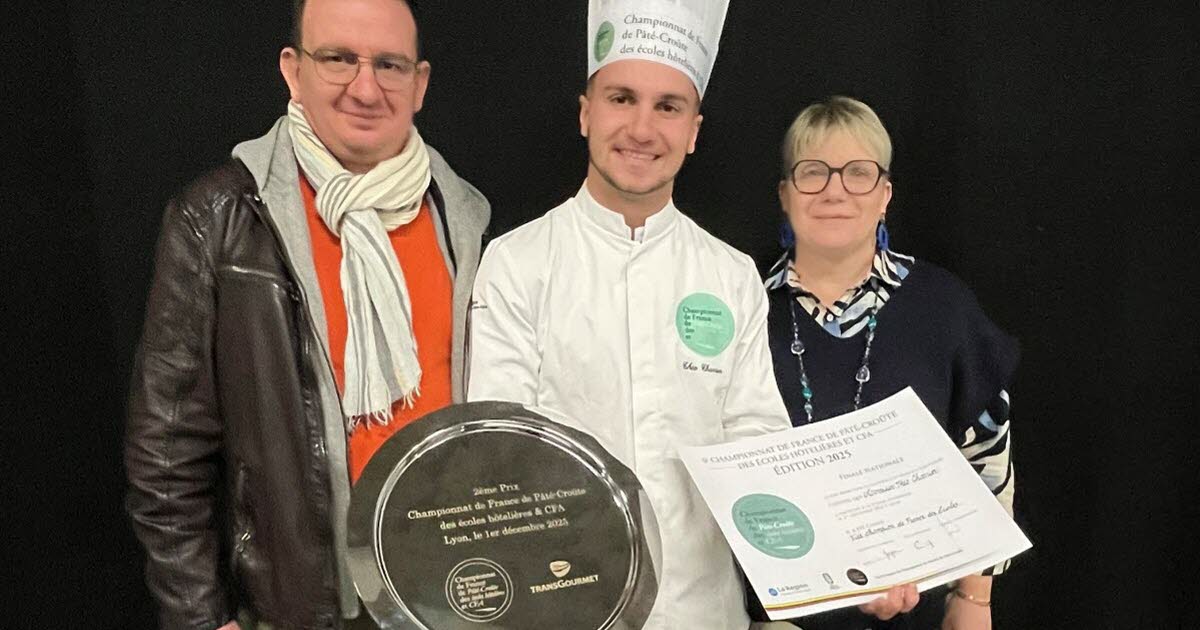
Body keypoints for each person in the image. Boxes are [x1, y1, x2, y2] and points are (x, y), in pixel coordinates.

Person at [124, 0, 490, 627]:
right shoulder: (218, 221)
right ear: (293, 70)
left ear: (420, 83)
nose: (366, 87)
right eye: (339, 59)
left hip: (452, 596)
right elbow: (165, 453)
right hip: (305, 610)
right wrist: (201, 619)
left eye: (390, 64)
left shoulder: (464, 219)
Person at [466, 1, 796, 628]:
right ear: (587, 113)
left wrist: (841, 559)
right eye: (622, 98)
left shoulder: (730, 275)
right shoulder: (517, 263)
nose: (643, 129)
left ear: (694, 130)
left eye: (668, 106)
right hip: (560, 608)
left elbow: (759, 444)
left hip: (704, 611)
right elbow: (501, 452)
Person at [762, 96, 1018, 630]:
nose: (835, 190)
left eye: (859, 173)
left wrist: (973, 600)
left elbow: (986, 455)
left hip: (910, 616)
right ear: (785, 195)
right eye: (813, 172)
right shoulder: (744, 310)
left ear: (885, 195)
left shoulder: (943, 306)